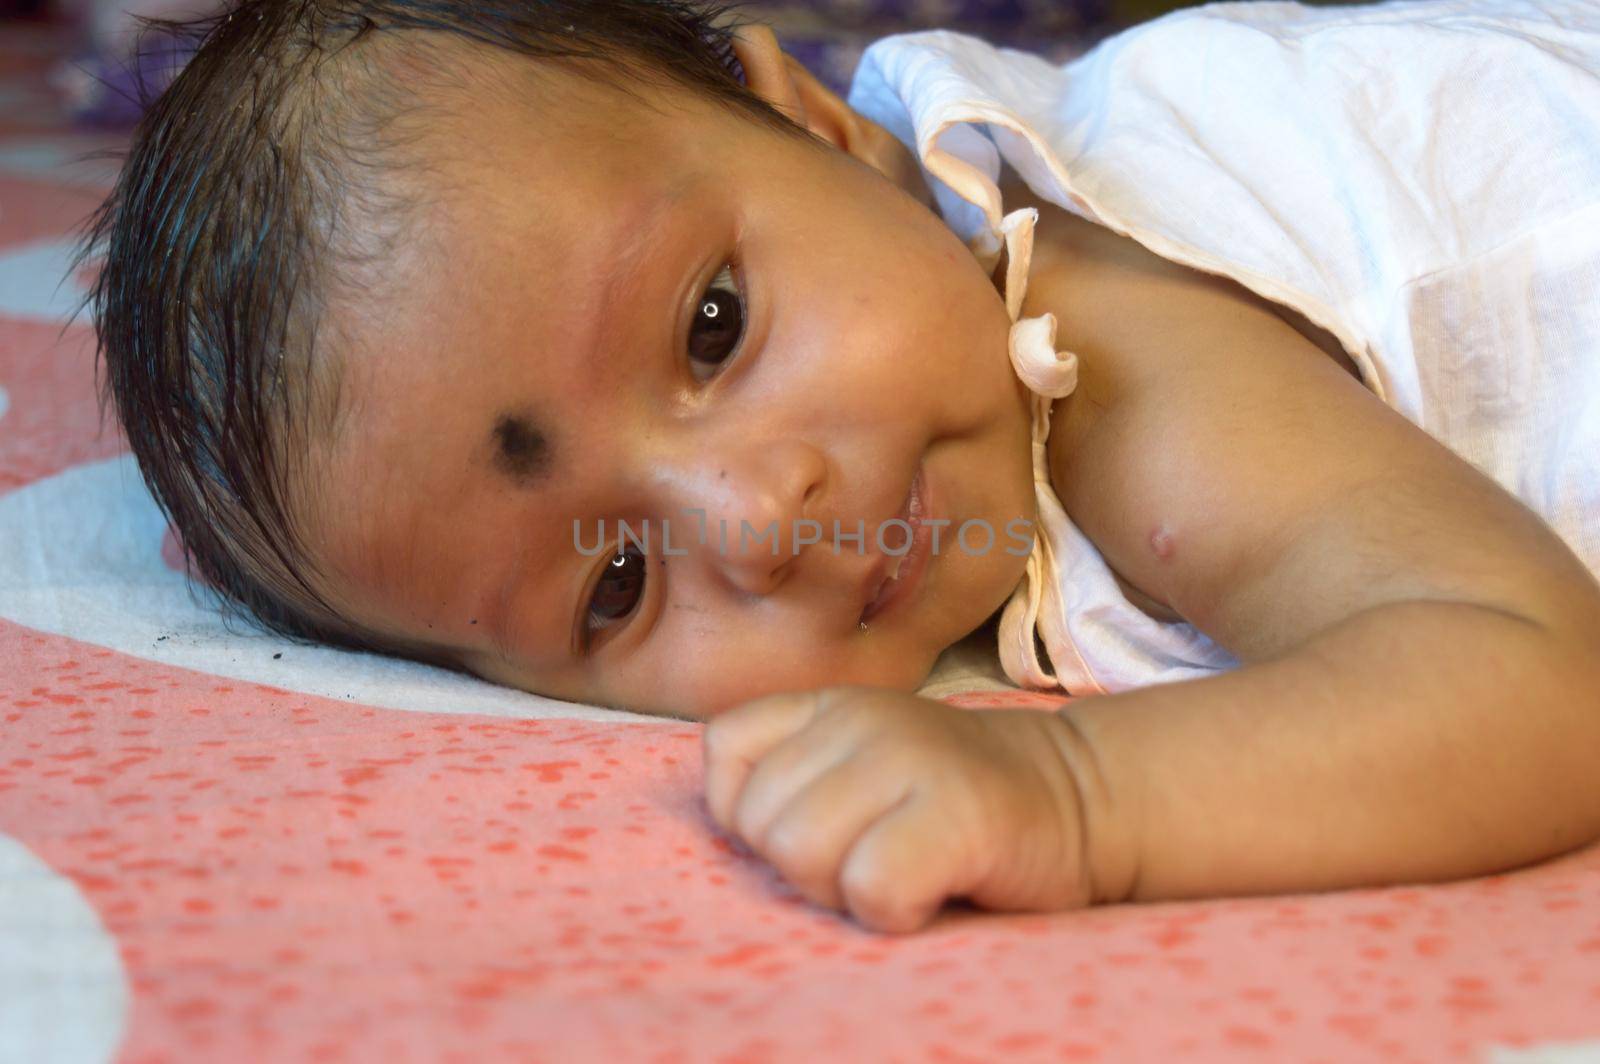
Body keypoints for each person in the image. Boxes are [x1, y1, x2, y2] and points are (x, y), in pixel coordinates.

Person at [87, 0, 1600, 934]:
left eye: (714, 326)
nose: (756, 520)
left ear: (814, 123)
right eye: (614, 583)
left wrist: (1074, 797)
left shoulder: (1110, 326)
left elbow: (1530, 683)